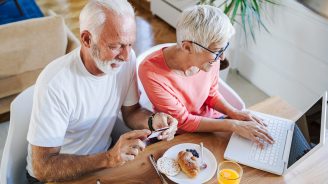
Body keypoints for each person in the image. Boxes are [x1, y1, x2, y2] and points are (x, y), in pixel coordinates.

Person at [25, 0, 178, 183]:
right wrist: (109, 158)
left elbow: (131, 112)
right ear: (87, 39)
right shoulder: (56, 84)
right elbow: (43, 167)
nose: (126, 55)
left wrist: (153, 122)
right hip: (60, 174)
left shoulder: (126, 61)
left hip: (103, 162)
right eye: (115, 46)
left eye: (130, 44)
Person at [139, 5, 274, 148]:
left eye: (223, 48)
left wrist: (233, 113)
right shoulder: (151, 72)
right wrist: (233, 124)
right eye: (217, 51)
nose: (222, 57)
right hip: (178, 135)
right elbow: (183, 121)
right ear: (187, 47)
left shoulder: (209, 58)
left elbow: (211, 93)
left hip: (213, 122)